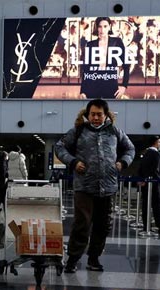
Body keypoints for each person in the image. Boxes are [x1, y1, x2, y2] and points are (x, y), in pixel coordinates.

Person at [54, 99, 135, 272]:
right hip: (84, 186)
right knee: (81, 223)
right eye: (93, 114)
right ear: (87, 114)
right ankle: (72, 260)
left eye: (99, 114)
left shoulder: (114, 131)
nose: (96, 117)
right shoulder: (78, 131)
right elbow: (60, 147)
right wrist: (73, 162)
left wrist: (122, 163)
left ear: (106, 115)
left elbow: (130, 149)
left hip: (108, 186)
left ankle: (94, 259)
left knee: (103, 224)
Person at [80, 17, 130, 99]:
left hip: (110, 84)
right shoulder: (90, 44)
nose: (102, 30)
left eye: (105, 26)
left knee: (111, 110)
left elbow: (126, 65)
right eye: (100, 26)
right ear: (96, 27)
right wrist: (83, 91)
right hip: (93, 85)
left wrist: (124, 86)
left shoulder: (117, 42)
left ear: (109, 26)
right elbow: (86, 69)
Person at [137, 136, 160, 235]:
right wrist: (150, 178)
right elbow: (154, 169)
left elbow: (140, 167)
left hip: (145, 183)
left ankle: (146, 226)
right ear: (156, 143)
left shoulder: (146, 153)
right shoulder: (156, 154)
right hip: (154, 183)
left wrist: (142, 179)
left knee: (146, 205)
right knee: (157, 205)